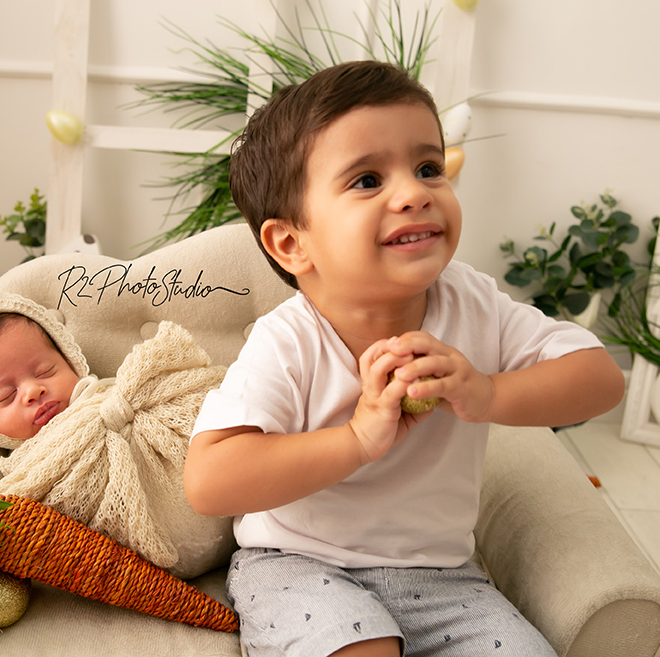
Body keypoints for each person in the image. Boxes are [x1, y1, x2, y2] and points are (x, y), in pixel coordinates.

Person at [183, 60, 624, 657]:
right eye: (367, 180)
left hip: (443, 578)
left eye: (428, 168)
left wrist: (488, 393)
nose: (415, 193)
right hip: (298, 566)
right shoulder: (287, 341)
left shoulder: (474, 303)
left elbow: (599, 380)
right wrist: (359, 440)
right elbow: (210, 482)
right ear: (292, 243)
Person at [0, 312, 81, 440]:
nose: (33, 391)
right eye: (8, 395)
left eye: (45, 372)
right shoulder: (22, 461)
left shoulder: (98, 402)